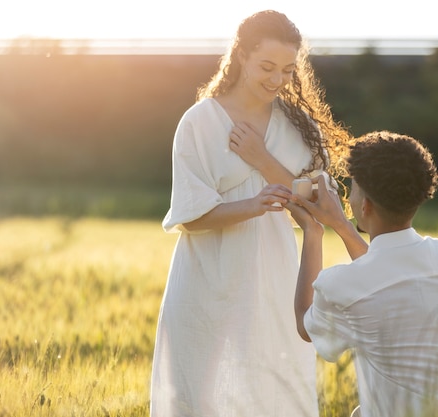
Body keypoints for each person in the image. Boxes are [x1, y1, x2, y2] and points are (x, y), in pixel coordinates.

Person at [150, 10, 352, 417]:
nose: (277, 80)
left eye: (288, 70)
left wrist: (262, 160)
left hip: (275, 277)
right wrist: (253, 205)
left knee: (274, 388)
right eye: (266, 66)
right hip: (206, 277)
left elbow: (318, 208)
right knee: (199, 393)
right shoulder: (200, 123)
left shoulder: (299, 129)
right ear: (240, 56)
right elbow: (190, 216)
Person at [287, 131, 438, 417]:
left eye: (353, 188)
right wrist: (342, 225)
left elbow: (305, 325)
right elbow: (385, 275)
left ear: (365, 205)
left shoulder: (342, 285)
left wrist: (313, 231)